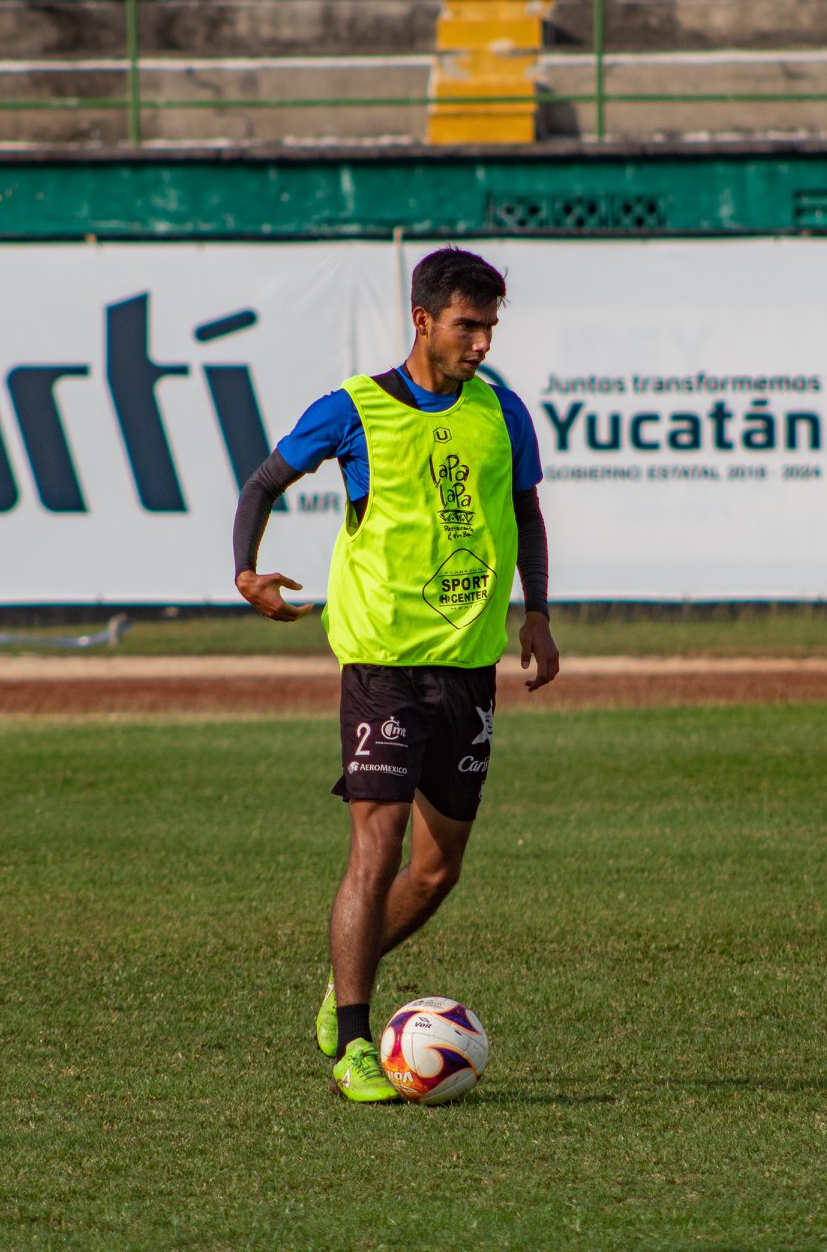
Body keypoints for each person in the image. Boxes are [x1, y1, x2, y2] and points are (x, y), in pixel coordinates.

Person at [232, 246, 559, 1102]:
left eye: (490, 325)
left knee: (439, 869)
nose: (482, 342)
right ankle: (351, 1044)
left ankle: (348, 978)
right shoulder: (355, 409)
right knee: (374, 849)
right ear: (422, 321)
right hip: (380, 663)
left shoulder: (503, 411)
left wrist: (540, 614)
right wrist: (247, 571)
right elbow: (264, 482)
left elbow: (526, 509)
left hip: (467, 670)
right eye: (467, 324)